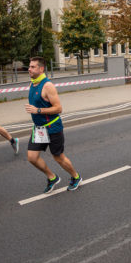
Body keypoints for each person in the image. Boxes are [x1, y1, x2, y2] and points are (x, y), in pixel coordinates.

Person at [25, 57, 82, 193]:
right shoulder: (33, 84)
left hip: (52, 127)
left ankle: (76, 177)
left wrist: (37, 110)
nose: (29, 69)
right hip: (39, 128)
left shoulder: (47, 85)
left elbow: (58, 108)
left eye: (33, 67)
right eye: (29, 66)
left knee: (58, 157)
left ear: (41, 69)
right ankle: (52, 177)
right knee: (32, 157)